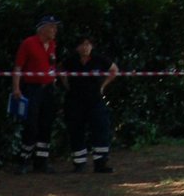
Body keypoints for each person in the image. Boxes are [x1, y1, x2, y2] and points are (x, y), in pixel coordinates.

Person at [60, 35, 119, 173]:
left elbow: (114, 69)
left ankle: (100, 163)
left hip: (95, 100)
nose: (85, 47)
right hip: (75, 100)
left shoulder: (99, 59)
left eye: (88, 44)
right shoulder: (71, 60)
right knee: (76, 130)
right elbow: (60, 70)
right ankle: (79, 163)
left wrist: (103, 86)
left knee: (100, 128)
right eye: (82, 44)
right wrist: (67, 85)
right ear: (77, 47)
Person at [11, 14, 60, 173]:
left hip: (48, 89)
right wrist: (16, 88)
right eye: (52, 27)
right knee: (31, 124)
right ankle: (23, 160)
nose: (55, 30)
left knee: (46, 124)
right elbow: (18, 67)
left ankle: (41, 161)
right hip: (32, 89)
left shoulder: (52, 45)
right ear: (42, 28)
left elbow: (52, 65)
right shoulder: (28, 43)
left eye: (55, 27)